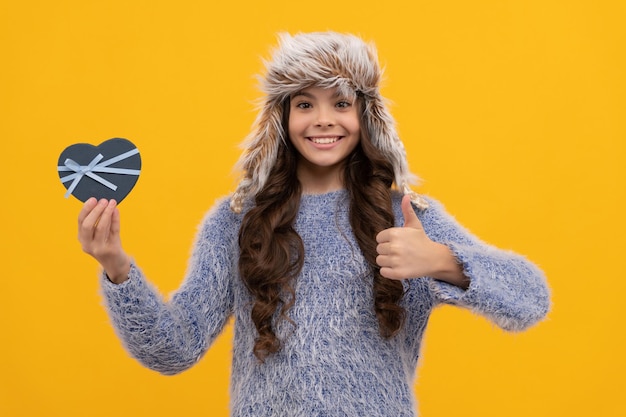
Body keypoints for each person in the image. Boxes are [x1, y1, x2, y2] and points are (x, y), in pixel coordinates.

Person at [78, 32, 550, 416]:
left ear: (366, 117)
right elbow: (173, 348)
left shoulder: (407, 219)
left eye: (341, 103)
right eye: (304, 104)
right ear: (281, 118)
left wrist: (444, 261)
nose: (323, 120)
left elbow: (531, 299)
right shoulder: (237, 221)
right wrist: (117, 267)